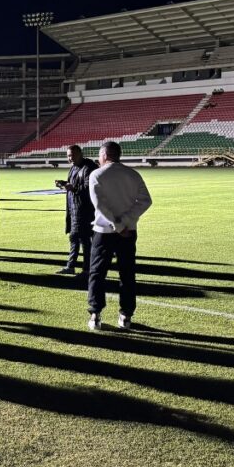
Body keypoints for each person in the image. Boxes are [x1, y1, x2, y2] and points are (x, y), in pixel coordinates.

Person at [86, 141, 152, 331]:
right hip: (128, 232)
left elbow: (100, 205)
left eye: (99, 155)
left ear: (104, 155)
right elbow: (146, 201)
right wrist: (125, 222)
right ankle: (126, 316)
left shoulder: (97, 174)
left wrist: (116, 224)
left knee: (97, 274)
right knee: (127, 273)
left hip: (104, 232)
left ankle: (95, 314)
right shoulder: (133, 174)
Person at [55, 145, 98, 276]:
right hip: (74, 210)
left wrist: (72, 188)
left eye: (73, 155)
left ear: (80, 154)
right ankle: (71, 266)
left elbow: (88, 189)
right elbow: (73, 186)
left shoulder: (89, 168)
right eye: (68, 155)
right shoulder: (73, 168)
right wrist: (64, 184)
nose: (70, 158)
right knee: (73, 238)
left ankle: (87, 269)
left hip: (85, 211)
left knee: (85, 240)